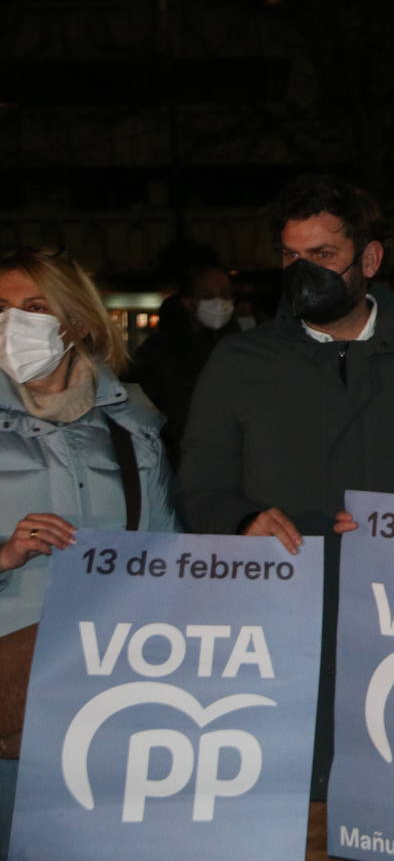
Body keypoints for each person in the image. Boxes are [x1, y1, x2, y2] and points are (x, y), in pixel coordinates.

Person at [178, 174, 394, 800]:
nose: (303, 271)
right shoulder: (240, 362)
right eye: (290, 256)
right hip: (278, 627)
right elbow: (198, 484)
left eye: (323, 256)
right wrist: (240, 519)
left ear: (369, 258)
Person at [0, 247, 178, 853]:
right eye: (0, 308)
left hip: (99, 684)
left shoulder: (131, 427)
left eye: (33, 307)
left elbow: (165, 560)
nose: (12, 324)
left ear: (75, 320)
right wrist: (4, 555)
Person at [128, 260, 239, 466]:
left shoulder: (244, 346)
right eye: (208, 296)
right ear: (189, 302)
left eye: (225, 294)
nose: (219, 302)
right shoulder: (158, 352)